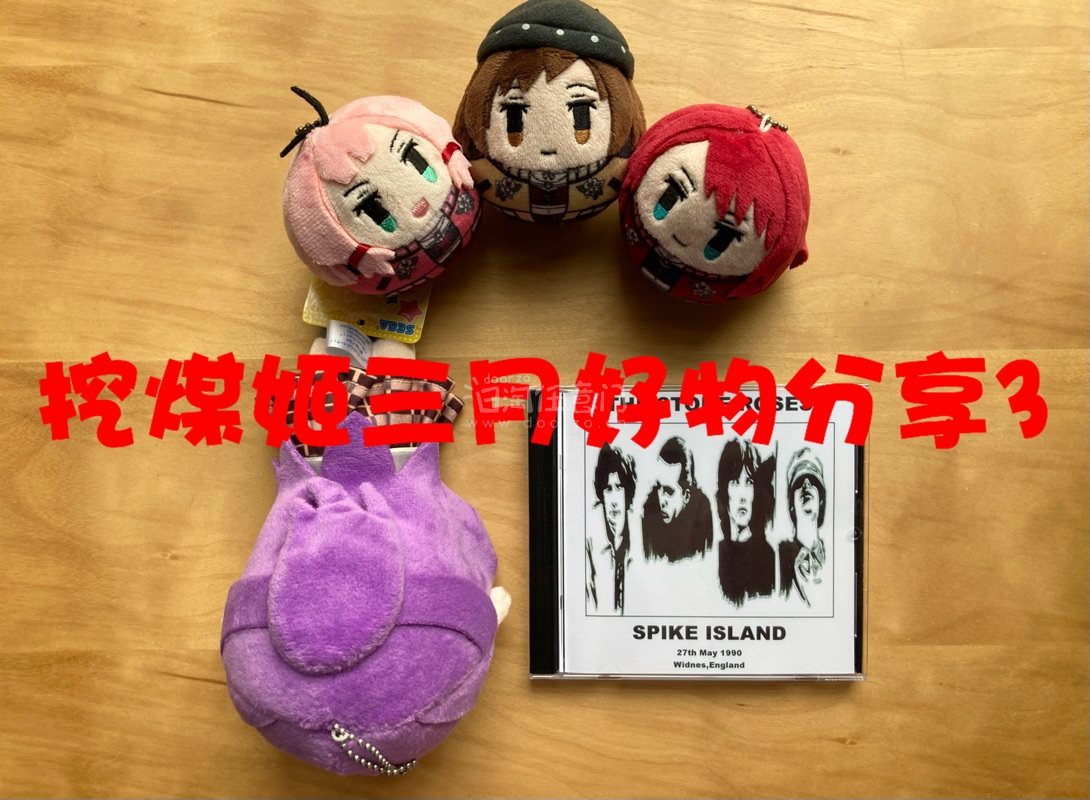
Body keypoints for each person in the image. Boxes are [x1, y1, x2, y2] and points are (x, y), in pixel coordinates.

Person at [716, 439, 776, 606]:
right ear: (725, 491)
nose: (742, 496)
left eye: (749, 482)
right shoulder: (716, 554)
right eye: (735, 482)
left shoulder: (768, 557)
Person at [640, 436, 713, 563]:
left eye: (668, 491)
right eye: (658, 488)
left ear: (686, 496)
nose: (662, 501)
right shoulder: (649, 511)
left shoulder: (702, 515)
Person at [585, 443, 637, 614]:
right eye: (608, 489)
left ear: (628, 493)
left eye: (619, 487)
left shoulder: (641, 543)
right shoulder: (589, 546)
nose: (613, 500)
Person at [779, 447, 828, 607]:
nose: (806, 485)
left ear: (821, 501)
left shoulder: (836, 561)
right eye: (799, 483)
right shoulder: (779, 561)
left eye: (813, 482)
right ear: (791, 505)